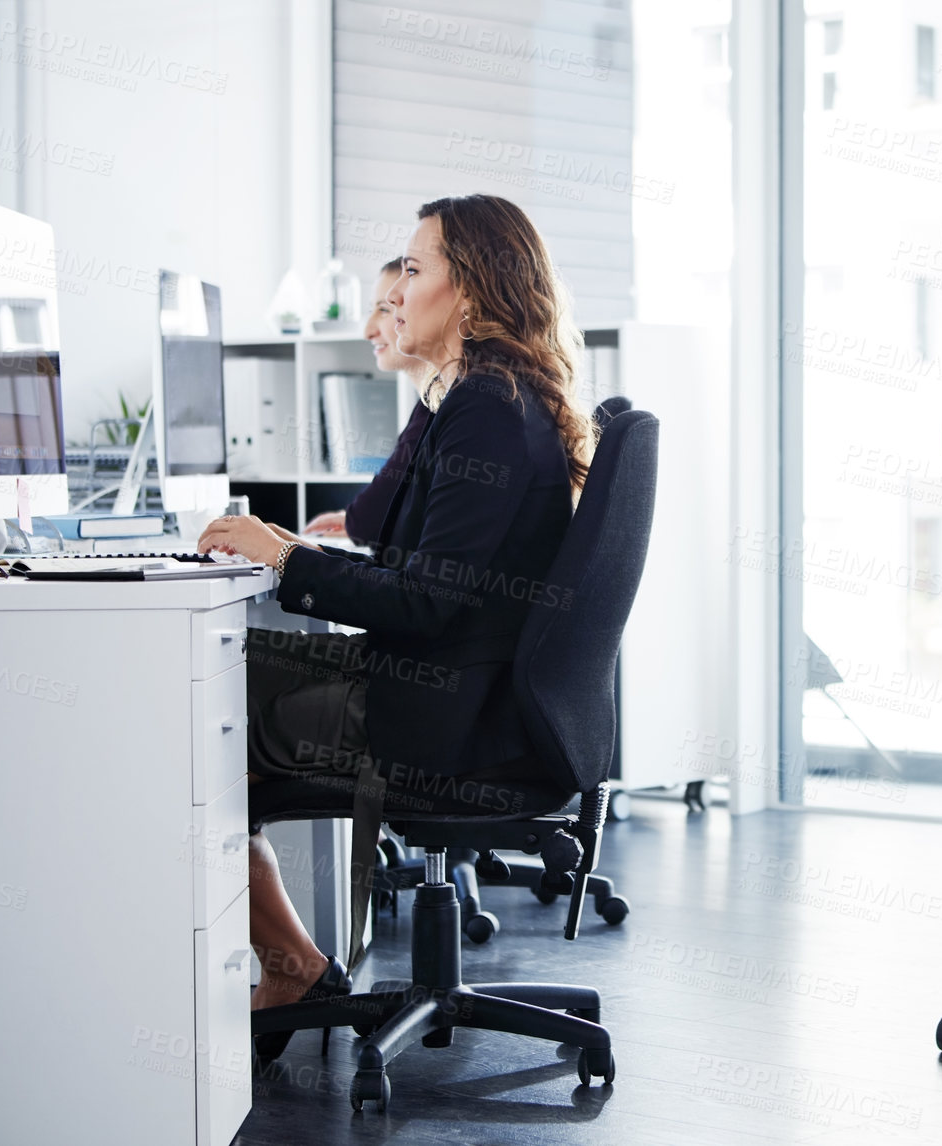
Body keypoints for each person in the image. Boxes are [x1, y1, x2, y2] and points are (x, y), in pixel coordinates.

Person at [198, 194, 596, 1058]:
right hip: (457, 697)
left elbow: (422, 602)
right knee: (212, 711)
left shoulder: (489, 408)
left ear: (473, 290)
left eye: (414, 270)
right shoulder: (487, 396)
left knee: (187, 706)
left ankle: (291, 964)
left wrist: (285, 558)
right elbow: (403, 550)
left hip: (437, 716)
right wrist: (296, 553)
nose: (394, 293)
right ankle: (288, 959)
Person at [302, 257, 433, 543]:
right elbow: (374, 515)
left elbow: (373, 517)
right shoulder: (427, 406)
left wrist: (279, 549)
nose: (368, 331)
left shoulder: (441, 409)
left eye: (385, 310)